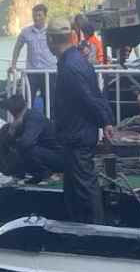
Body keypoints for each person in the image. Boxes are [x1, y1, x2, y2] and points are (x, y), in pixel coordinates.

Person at [48, 19, 113, 223]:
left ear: (50, 40)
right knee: (76, 188)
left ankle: (97, 232)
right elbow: (96, 93)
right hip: (78, 134)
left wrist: (105, 121)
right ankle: (80, 227)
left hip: (77, 136)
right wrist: (106, 120)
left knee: (85, 188)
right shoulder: (78, 60)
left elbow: (88, 97)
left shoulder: (70, 67)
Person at [11, 3, 57, 105]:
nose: (37, 18)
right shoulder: (25, 32)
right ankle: (27, 119)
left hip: (49, 71)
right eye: (35, 15)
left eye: (39, 15)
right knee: (28, 101)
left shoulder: (51, 31)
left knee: (50, 102)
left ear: (45, 16)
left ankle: (50, 120)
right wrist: (13, 65)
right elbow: (17, 48)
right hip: (32, 72)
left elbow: (59, 48)